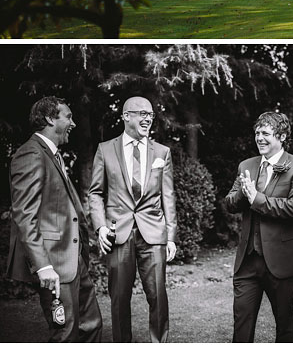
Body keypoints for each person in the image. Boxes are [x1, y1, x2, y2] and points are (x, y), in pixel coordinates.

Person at [7, 97, 103, 343]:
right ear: (50, 118)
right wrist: (43, 266)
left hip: (73, 261)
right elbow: (24, 215)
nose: (73, 123)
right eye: (68, 117)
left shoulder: (53, 155)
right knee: (65, 333)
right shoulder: (30, 154)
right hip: (54, 263)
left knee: (91, 325)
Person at [88, 95, 176, 343]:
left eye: (150, 115)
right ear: (126, 116)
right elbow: (95, 193)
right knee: (119, 297)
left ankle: (159, 341)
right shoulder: (105, 150)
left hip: (154, 233)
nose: (147, 119)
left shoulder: (162, 152)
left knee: (158, 295)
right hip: (119, 234)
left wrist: (171, 236)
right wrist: (101, 227)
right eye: (142, 114)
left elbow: (167, 195)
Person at [224, 110, 293, 343]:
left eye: (265, 133)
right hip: (247, 261)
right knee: (241, 323)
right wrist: (244, 193)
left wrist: (257, 199)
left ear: (281, 136)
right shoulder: (247, 165)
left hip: (282, 261)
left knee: (284, 323)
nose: (259, 138)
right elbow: (230, 204)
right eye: (257, 133)